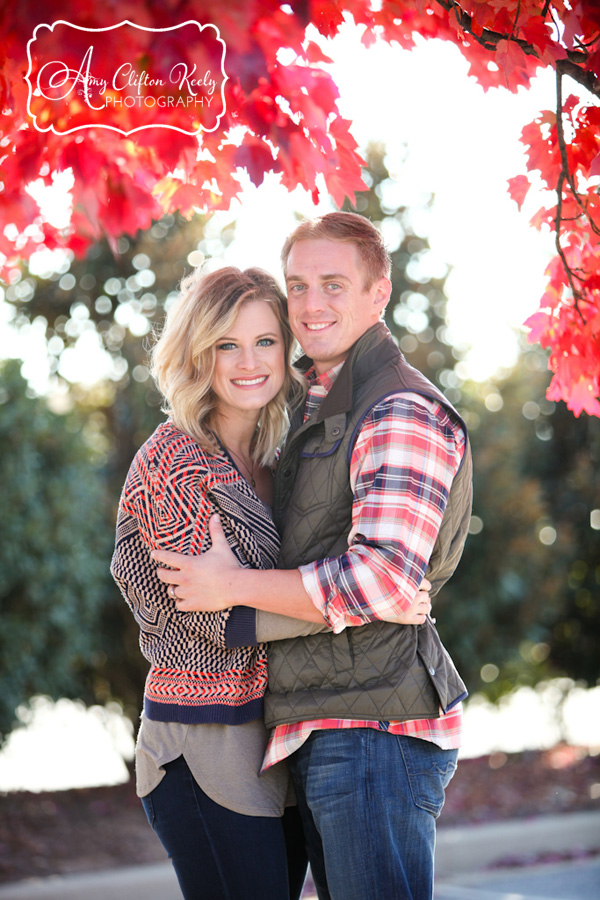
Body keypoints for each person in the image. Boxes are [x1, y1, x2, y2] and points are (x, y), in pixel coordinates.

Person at [152, 212, 473, 900]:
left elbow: (382, 579)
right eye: (298, 286)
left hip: (372, 730)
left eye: (334, 284)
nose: (312, 305)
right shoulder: (311, 411)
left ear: (377, 292)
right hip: (324, 725)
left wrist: (233, 585)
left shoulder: (396, 411)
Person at [110, 266, 311, 900]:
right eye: (227, 344)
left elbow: (239, 595)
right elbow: (211, 620)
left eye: (265, 342)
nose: (248, 362)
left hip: (278, 737)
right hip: (203, 743)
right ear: (199, 352)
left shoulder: (278, 459)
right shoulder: (173, 459)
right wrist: (361, 603)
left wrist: (252, 587)